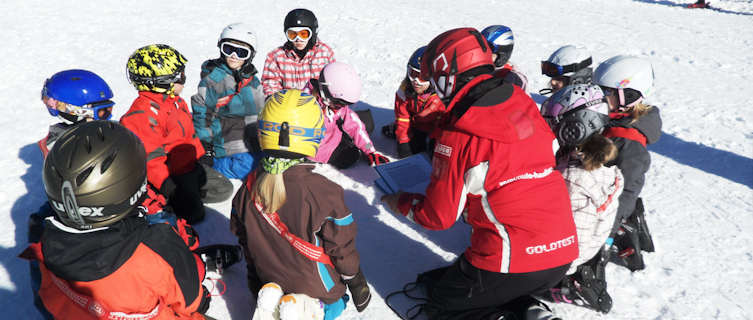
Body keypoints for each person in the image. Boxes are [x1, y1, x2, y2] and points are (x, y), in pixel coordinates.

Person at [381, 28, 577, 320]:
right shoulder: (521, 101)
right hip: (563, 251)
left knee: (443, 308)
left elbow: (438, 217)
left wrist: (400, 202)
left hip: (510, 256)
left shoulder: (458, 134)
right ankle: (529, 309)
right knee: (472, 286)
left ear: (447, 76)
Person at [20, 121, 211, 320]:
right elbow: (190, 301)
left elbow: (43, 297)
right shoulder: (156, 245)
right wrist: (201, 293)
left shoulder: (41, 231)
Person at [231, 89, 371, 320]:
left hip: (269, 276)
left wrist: (255, 278)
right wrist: (355, 281)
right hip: (315, 285)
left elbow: (243, 238)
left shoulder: (247, 188)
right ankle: (308, 309)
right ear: (313, 135)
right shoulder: (324, 192)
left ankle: (272, 295)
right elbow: (341, 248)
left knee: (276, 284)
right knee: (339, 301)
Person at [121, 44, 233, 224]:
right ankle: (164, 200)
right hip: (168, 175)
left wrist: (200, 156)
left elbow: (189, 135)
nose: (184, 79)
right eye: (179, 77)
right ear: (159, 82)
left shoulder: (176, 103)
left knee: (223, 189)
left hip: (187, 166)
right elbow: (151, 159)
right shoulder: (142, 115)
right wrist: (169, 187)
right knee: (194, 215)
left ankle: (188, 194)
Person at [540, 84, 624, 313]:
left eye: (555, 122)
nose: (551, 127)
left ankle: (558, 289)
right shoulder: (599, 164)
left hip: (564, 261)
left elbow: (562, 236)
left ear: (574, 128)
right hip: (588, 248)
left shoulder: (571, 177)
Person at [593, 55, 661, 271]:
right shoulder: (614, 120)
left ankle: (624, 226)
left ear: (629, 95)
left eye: (606, 92)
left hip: (607, 206)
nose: (599, 96)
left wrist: (604, 237)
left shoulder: (628, 142)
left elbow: (625, 192)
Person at [191, 23, 265, 180]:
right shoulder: (213, 80)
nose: (234, 56)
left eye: (241, 52)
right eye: (228, 49)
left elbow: (261, 110)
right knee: (252, 167)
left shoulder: (253, 81)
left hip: (250, 141)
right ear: (220, 48)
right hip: (224, 146)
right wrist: (206, 149)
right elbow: (202, 114)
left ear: (250, 56)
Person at [305, 62, 389, 168]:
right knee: (350, 156)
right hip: (319, 148)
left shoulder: (334, 104)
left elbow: (355, 125)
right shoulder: (306, 107)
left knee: (366, 122)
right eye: (339, 103)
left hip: (334, 132)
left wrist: (370, 150)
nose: (341, 107)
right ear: (325, 91)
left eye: (345, 104)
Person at [381, 46, 445, 158]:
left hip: (435, 127)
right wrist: (403, 140)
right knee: (410, 150)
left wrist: (435, 139)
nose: (416, 81)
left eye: (422, 77)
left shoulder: (442, 96)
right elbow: (402, 117)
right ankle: (397, 130)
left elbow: (444, 122)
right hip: (416, 125)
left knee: (436, 154)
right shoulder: (405, 91)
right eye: (413, 74)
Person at [38, 69, 115, 157]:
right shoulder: (63, 149)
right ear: (75, 111)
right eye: (101, 112)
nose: (107, 117)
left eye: (109, 109)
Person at [262, 8, 335, 97]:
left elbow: (334, 82)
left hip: (317, 107)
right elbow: (270, 84)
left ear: (313, 33)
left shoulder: (324, 53)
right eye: (292, 34)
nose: (298, 39)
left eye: (303, 34)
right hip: (288, 107)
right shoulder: (276, 57)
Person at [480, 25, 529, 91]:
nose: (482, 56)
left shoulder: (513, 79)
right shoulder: (480, 68)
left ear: (502, 55)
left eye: (489, 53)